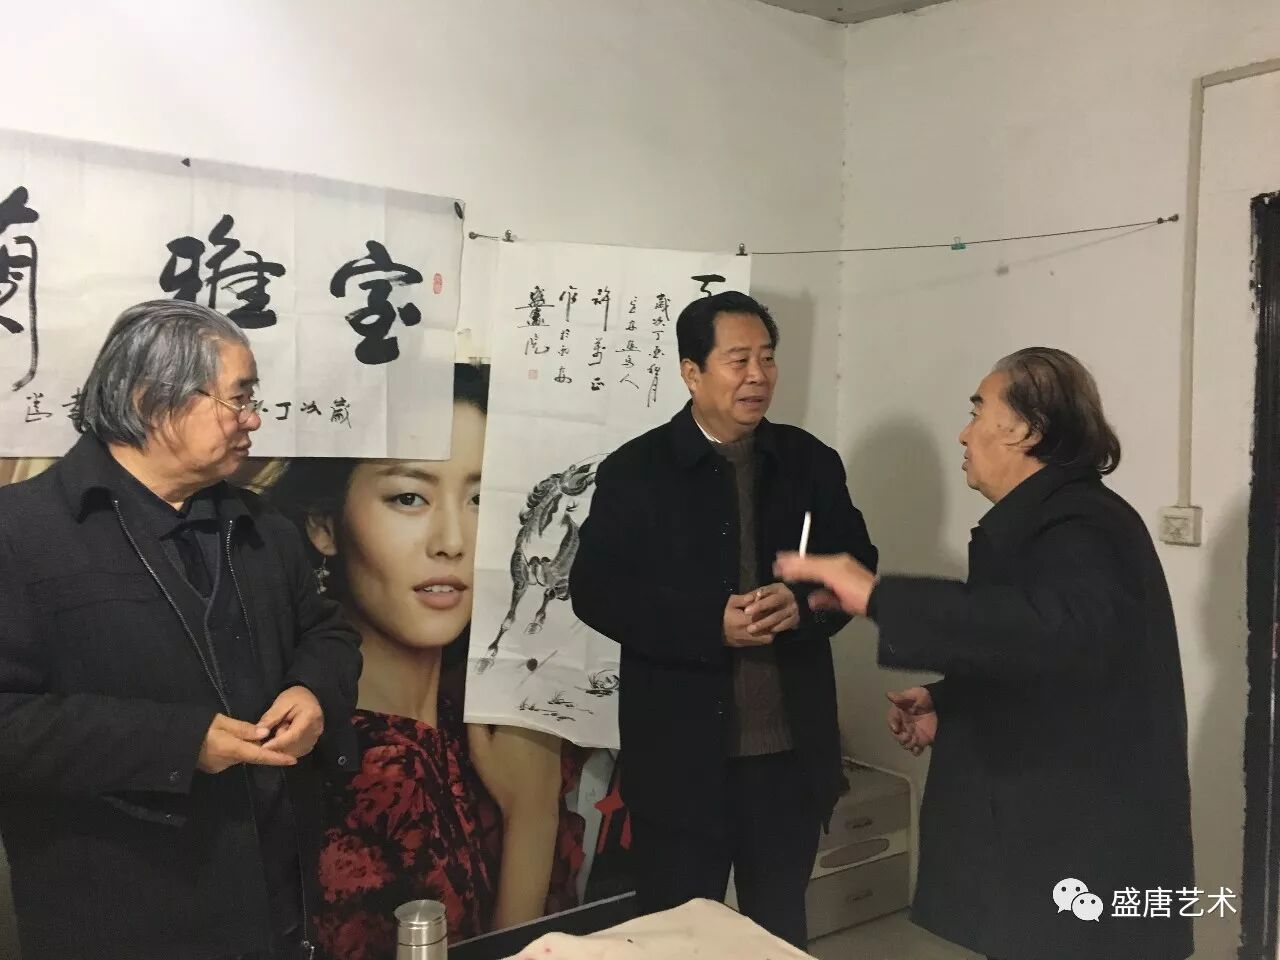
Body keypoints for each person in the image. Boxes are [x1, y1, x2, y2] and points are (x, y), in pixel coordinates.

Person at [775, 348, 1195, 960]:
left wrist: (879, 596)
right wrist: (952, 701)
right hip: (1052, 830)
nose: (964, 433)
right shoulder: (1048, 519)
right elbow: (1043, 654)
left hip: (1076, 840)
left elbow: (1057, 630)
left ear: (1026, 429)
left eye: (978, 411)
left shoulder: (1081, 524)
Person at [0, 299, 362, 960]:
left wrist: (312, 691)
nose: (253, 419)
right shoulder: (20, 533)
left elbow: (329, 634)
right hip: (119, 914)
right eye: (237, 398)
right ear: (151, 401)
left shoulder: (263, 527)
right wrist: (179, 742)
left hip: (276, 900)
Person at [570, 291, 878, 949]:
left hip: (788, 760)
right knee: (679, 937)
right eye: (738, 360)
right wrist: (708, 624)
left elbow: (856, 569)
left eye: (767, 358)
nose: (758, 376)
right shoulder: (635, 471)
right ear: (692, 372)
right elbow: (594, 591)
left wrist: (802, 606)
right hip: (680, 762)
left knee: (777, 932)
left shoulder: (808, 462)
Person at [266, 364, 585, 959]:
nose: (452, 541)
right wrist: (532, 816)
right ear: (324, 525)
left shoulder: (499, 713)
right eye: (409, 498)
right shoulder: (316, 755)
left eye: (481, 499)